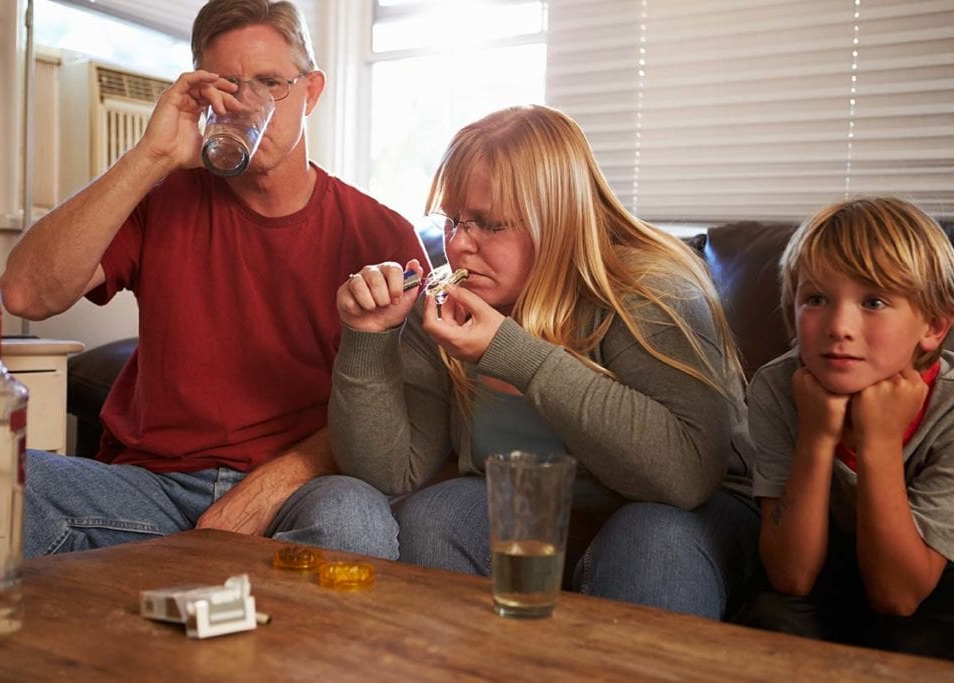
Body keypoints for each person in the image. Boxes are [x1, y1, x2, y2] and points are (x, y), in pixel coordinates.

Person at [0, 0, 425, 558]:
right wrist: (151, 156)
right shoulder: (160, 199)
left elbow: (411, 407)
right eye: (227, 85)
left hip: (301, 489)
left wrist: (275, 481)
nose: (247, 104)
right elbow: (27, 293)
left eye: (271, 83)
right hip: (152, 488)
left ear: (311, 92)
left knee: (353, 517)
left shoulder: (380, 233)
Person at [329, 105, 760, 619]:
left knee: (651, 540)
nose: (459, 245)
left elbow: (685, 478)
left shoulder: (650, 292)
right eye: (453, 220)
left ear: (559, 222)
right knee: (431, 517)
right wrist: (367, 338)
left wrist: (515, 356)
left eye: (488, 224)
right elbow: (389, 473)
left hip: (681, 513)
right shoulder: (448, 304)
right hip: (534, 509)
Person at [742, 197, 954, 658]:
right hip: (822, 570)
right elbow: (791, 577)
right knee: (770, 619)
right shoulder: (778, 388)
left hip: (926, 585)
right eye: (816, 299)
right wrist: (818, 438)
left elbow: (899, 597)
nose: (839, 326)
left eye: (873, 301)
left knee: (919, 641)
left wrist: (878, 441)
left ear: (934, 327)